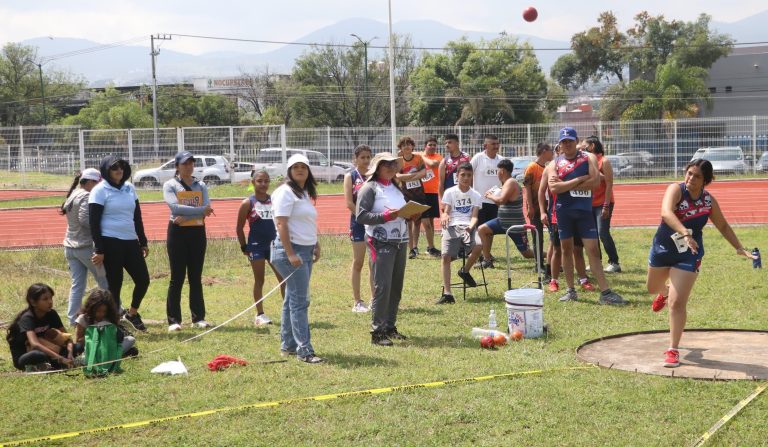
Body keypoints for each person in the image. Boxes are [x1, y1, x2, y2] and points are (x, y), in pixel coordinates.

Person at [646, 159, 755, 368]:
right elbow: (666, 213)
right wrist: (685, 232)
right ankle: (665, 290)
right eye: (689, 173)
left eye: (696, 176)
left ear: (707, 180)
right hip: (663, 249)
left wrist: (739, 247)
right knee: (652, 288)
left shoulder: (708, 201)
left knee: (677, 304)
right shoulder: (676, 190)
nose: (690, 179)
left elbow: (722, 224)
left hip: (690, 253)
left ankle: (673, 349)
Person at [546, 127, 625, 305]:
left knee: (593, 251)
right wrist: (580, 180)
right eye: (563, 141)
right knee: (566, 250)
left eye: (570, 141)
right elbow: (554, 188)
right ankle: (570, 290)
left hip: (584, 213)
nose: (567, 144)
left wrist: (565, 185)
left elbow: (596, 182)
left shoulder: (587, 157)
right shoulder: (554, 164)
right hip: (564, 212)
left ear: (576, 141)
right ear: (560, 143)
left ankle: (605, 292)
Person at [270, 154, 324, 364]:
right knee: (300, 302)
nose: (300, 170)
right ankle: (305, 350)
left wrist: (315, 243)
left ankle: (288, 345)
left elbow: (305, 222)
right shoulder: (285, 192)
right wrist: (290, 252)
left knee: (291, 299)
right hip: (290, 252)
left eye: (304, 167)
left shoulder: (302, 193)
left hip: (305, 249)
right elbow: (281, 224)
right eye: (296, 167)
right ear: (289, 171)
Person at [89, 155, 150, 331]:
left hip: (130, 241)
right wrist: (99, 249)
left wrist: (143, 241)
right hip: (110, 242)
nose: (119, 171)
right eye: (115, 168)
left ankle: (131, 314)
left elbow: (137, 216)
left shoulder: (129, 187)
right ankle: (115, 323)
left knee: (143, 279)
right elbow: (93, 222)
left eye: (122, 167)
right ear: (106, 170)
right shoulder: (99, 190)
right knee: (115, 285)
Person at [356, 152, 410, 345]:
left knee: (396, 287)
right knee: (382, 287)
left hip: (400, 240)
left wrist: (410, 213)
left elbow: (401, 211)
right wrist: (385, 217)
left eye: (393, 164)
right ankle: (377, 332)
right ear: (377, 167)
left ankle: (389, 326)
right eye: (386, 164)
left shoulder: (396, 186)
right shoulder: (369, 188)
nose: (390, 167)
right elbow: (361, 216)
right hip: (380, 242)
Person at [163, 151, 214, 332]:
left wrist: (185, 216)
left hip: (197, 232)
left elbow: (208, 209)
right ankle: (174, 320)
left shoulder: (201, 185)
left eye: (191, 163)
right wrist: (197, 211)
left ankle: (198, 317)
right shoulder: (170, 185)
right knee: (177, 277)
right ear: (177, 166)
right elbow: (174, 207)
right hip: (177, 233)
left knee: (195, 276)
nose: (188, 166)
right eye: (184, 163)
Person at [462, 159, 533, 286]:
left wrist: (489, 196)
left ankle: (548, 257)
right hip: (502, 221)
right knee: (482, 230)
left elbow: (500, 200)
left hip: (514, 224)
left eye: (498, 171)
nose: (497, 173)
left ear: (502, 171)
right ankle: (487, 259)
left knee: (526, 253)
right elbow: (502, 200)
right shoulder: (505, 183)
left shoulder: (511, 182)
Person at [60, 168, 109, 326]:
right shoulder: (87, 195)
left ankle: (73, 320)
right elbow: (85, 220)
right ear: (89, 182)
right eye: (97, 182)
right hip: (86, 247)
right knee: (104, 280)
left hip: (70, 246)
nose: (98, 186)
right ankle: (113, 314)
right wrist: (101, 225)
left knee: (77, 285)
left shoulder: (73, 193)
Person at [237, 169, 284, 326]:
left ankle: (288, 311)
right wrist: (244, 246)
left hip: (274, 246)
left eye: (266, 181)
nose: (263, 184)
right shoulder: (247, 203)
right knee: (260, 280)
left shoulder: (274, 200)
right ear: (253, 183)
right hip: (256, 247)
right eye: (260, 181)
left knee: (283, 279)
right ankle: (260, 314)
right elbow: (239, 228)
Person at [436, 163, 482, 304]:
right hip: (452, 226)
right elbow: (446, 210)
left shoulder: (476, 195)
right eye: (463, 175)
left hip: (468, 226)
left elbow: (474, 216)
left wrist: (470, 227)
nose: (466, 178)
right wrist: (444, 216)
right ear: (457, 176)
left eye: (469, 175)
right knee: (445, 256)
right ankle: (448, 293)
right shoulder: (450, 192)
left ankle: (465, 270)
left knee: (479, 245)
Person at [6, 283, 74, 372]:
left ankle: (52, 364)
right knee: (38, 355)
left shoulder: (51, 314)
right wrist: (61, 358)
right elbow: (35, 344)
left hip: (47, 349)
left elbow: (67, 338)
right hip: (26, 355)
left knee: (78, 347)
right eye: (45, 299)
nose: (50, 302)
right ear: (33, 302)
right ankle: (54, 364)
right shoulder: (27, 318)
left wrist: (70, 352)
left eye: (51, 298)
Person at [74, 288, 138, 373]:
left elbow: (117, 338)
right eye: (98, 311)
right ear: (91, 308)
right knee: (83, 355)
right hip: (92, 350)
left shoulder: (110, 318)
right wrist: (94, 335)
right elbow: (78, 341)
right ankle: (112, 357)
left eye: (104, 311)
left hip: (108, 348)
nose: (100, 314)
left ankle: (111, 357)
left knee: (130, 339)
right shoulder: (83, 319)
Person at [342, 145, 374, 313]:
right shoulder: (351, 176)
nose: (366, 160)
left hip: (374, 224)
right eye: (362, 157)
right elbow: (349, 202)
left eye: (368, 157)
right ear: (356, 159)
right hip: (358, 224)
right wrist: (363, 218)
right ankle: (357, 301)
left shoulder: (373, 176)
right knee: (359, 261)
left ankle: (375, 299)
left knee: (373, 263)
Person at [584, 135, 621, 273]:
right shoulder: (586, 160)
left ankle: (614, 262)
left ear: (592, 146)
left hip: (603, 203)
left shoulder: (603, 161)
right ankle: (595, 262)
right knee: (591, 235)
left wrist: (606, 205)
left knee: (603, 232)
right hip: (589, 203)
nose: (582, 148)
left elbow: (609, 183)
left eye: (585, 145)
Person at [470, 134, 504, 267]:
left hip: (495, 202)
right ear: (485, 146)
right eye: (493, 144)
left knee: (489, 232)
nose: (496, 146)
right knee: (479, 230)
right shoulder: (478, 158)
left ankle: (486, 257)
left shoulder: (501, 160)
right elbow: (468, 173)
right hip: (480, 201)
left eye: (497, 144)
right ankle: (481, 255)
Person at [523, 143, 554, 275]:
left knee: (553, 235)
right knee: (538, 235)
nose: (553, 153)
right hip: (535, 207)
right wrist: (529, 206)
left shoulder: (547, 168)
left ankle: (553, 262)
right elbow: (527, 188)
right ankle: (539, 264)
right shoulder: (532, 167)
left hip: (547, 205)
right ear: (544, 151)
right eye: (551, 151)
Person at [395, 136, 427, 259]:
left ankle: (416, 246)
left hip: (419, 193)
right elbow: (397, 175)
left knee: (417, 221)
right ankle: (410, 249)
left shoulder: (418, 158)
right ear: (401, 148)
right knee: (408, 221)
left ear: (412, 146)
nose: (407, 146)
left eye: (409, 144)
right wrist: (415, 176)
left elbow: (424, 173)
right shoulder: (399, 161)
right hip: (406, 194)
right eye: (404, 145)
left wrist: (408, 176)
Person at [417, 136, 443, 258]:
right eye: (430, 145)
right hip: (420, 193)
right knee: (422, 222)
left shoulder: (438, 157)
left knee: (431, 222)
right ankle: (418, 248)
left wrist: (422, 156)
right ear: (425, 146)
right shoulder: (417, 158)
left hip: (432, 192)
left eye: (434, 145)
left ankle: (429, 246)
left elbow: (433, 165)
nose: (432, 147)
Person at [438, 133, 470, 202]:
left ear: (457, 143)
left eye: (449, 142)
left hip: (466, 196)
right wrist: (442, 201)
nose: (447, 145)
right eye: (445, 143)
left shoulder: (467, 158)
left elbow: (473, 178)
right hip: (450, 198)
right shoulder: (444, 161)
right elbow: (441, 184)